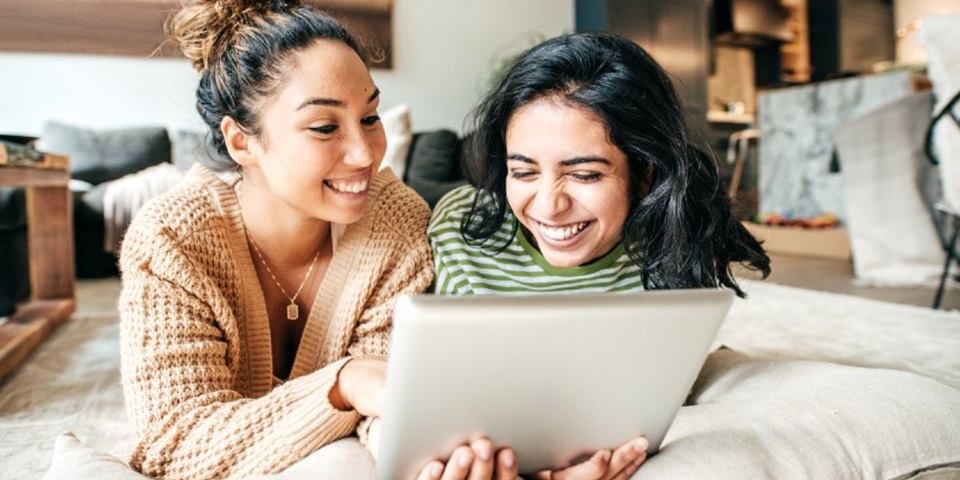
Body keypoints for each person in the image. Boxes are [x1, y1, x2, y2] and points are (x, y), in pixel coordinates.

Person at [118, 2, 516, 479]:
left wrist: (416, 449)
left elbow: (388, 399)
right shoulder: (173, 238)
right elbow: (172, 446)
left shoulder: (396, 222)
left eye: (370, 117)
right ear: (241, 142)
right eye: (325, 127)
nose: (365, 153)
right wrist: (342, 383)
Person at [428, 31, 772, 477]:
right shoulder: (462, 229)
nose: (549, 205)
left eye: (585, 174)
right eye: (523, 171)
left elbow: (653, 394)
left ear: (644, 172)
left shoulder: (672, 242)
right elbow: (443, 392)